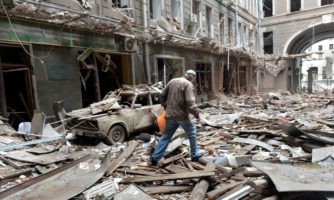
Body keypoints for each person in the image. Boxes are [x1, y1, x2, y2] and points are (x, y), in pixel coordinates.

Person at [150, 69, 201, 165]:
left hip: (170, 114)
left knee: (166, 136)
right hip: (181, 115)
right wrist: (196, 114)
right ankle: (195, 156)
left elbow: (162, 95)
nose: (194, 80)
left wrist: (165, 106)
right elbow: (190, 102)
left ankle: (154, 158)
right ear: (191, 77)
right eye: (194, 78)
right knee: (192, 134)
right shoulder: (188, 84)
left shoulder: (172, 81)